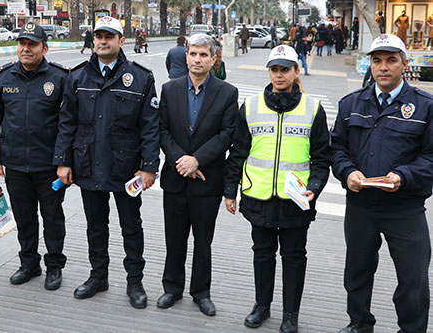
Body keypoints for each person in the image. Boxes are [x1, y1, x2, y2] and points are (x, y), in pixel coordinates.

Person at [54, 16, 159, 309]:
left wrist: (149, 166)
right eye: (98, 36)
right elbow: (67, 123)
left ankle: (134, 281)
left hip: (126, 168)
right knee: (95, 226)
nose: (102, 41)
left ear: (120, 41)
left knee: (131, 226)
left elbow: (150, 126)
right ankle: (98, 276)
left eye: (109, 36)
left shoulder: (140, 77)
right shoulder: (77, 77)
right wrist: (63, 162)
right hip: (87, 163)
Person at [224, 45, 331, 333]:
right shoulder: (251, 106)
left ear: (297, 72)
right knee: (262, 253)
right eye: (275, 69)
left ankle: (290, 313)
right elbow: (238, 152)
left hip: (295, 200)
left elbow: (322, 158)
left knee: (294, 257)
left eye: (285, 69)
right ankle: (262, 306)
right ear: (268, 71)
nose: (279, 75)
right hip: (258, 197)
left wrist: (315, 187)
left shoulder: (313, 108)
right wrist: (230, 189)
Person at [331, 34, 433, 333]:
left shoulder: (425, 106)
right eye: (377, 60)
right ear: (370, 65)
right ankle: (360, 322)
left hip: (405, 207)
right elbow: (337, 148)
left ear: (405, 64)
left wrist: (404, 176)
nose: (383, 67)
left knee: (413, 276)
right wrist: (347, 172)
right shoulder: (351, 103)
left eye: (391, 60)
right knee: (357, 271)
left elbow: (431, 157)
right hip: (361, 205)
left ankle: (411, 329)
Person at [157, 33, 239, 316]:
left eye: (203, 55)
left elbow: (227, 134)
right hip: (175, 177)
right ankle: (172, 288)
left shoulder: (227, 93)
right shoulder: (169, 89)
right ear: (186, 56)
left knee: (203, 241)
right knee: (174, 238)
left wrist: (197, 160)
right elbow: (162, 130)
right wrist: (181, 159)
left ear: (214, 59)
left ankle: (201, 292)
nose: (197, 59)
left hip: (208, 180)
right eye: (193, 54)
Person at [0, 22, 69, 290]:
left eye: (32, 44)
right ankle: (29, 263)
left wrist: (64, 161)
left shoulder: (60, 78)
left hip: (48, 166)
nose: (26, 49)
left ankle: (54, 266)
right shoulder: (4, 77)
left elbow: (70, 123)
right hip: (15, 164)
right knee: (24, 217)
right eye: (22, 43)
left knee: (52, 217)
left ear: (44, 48)